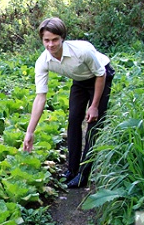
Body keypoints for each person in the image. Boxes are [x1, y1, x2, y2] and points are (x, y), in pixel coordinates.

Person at [22, 17, 114, 188]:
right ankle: (71, 170)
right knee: (73, 121)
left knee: (94, 125)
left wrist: (94, 106)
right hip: (79, 79)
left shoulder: (82, 51)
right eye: (46, 40)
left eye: (55, 39)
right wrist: (30, 132)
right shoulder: (43, 61)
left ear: (62, 38)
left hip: (100, 76)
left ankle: (83, 175)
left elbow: (100, 74)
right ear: (42, 40)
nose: (51, 45)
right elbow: (40, 97)